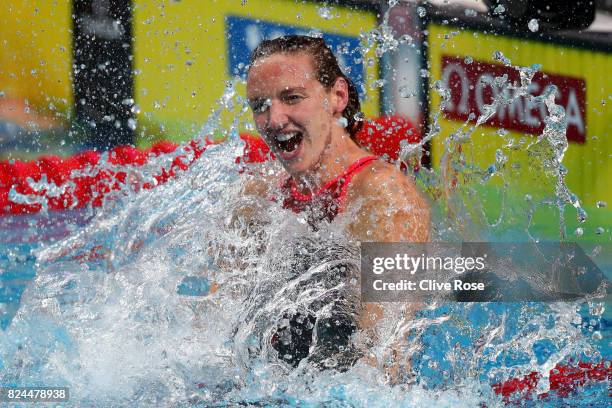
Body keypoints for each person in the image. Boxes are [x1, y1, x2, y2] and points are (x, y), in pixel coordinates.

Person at [239, 35, 430, 373]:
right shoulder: (258, 196)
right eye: (260, 105)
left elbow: (387, 354)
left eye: (292, 98)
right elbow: (217, 328)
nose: (274, 120)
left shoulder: (383, 198)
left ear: (337, 96)